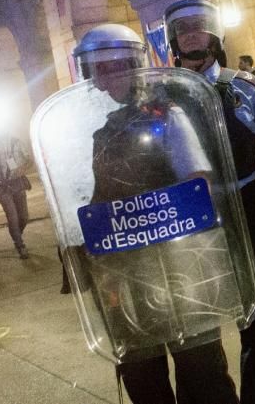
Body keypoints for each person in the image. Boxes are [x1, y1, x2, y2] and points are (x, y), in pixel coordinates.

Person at [72, 23, 241, 404]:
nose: (102, 79)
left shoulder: (166, 116)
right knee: (142, 376)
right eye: (97, 70)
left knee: (203, 372)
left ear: (133, 65)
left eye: (112, 68)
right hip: (125, 270)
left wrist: (154, 218)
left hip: (179, 266)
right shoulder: (98, 130)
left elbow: (198, 185)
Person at [164, 0, 255, 404]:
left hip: (246, 209)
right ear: (172, 39)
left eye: (199, 27)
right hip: (193, 223)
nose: (191, 36)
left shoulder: (245, 88)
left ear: (215, 35)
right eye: (183, 30)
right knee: (200, 321)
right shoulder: (163, 97)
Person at [0, 134, 32, 259]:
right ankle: (20, 245)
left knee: (24, 216)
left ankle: (16, 234)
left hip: (17, 182)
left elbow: (29, 160)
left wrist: (22, 168)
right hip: (1, 186)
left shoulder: (17, 142)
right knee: (12, 217)